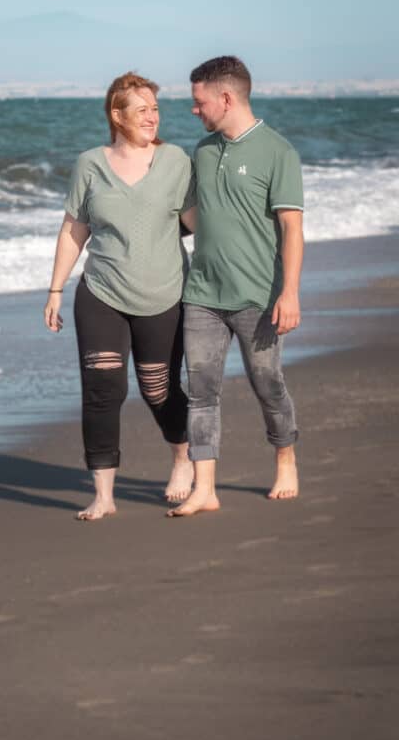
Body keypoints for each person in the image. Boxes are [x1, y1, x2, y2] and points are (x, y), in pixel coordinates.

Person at [44, 71, 197, 520]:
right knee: (102, 389)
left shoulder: (175, 162)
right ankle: (104, 494)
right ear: (117, 114)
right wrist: (55, 289)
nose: (152, 116)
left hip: (164, 292)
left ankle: (183, 458)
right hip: (101, 291)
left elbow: (197, 224)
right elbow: (74, 228)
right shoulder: (90, 163)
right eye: (142, 109)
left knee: (158, 388)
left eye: (155, 108)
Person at [168, 55, 304, 518]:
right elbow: (190, 215)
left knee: (268, 383)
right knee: (201, 389)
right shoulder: (203, 151)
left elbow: (291, 228)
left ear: (225, 98)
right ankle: (205, 487)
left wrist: (289, 293)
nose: (194, 110)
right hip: (203, 295)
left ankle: (285, 457)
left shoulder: (277, 151)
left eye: (198, 101)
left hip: (258, 297)